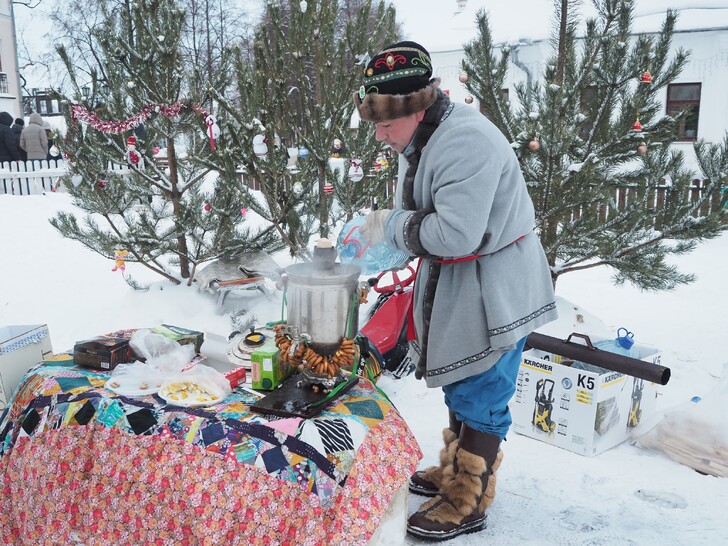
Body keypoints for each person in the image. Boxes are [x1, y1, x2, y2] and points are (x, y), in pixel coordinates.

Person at [354, 41, 558, 541]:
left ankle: (467, 498)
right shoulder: (420, 138)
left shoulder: (465, 142)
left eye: (385, 123)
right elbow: (423, 216)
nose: (379, 134)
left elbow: (453, 235)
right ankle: (454, 469)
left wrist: (392, 227)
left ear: (415, 107)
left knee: (483, 389)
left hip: (494, 289)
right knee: (461, 381)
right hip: (460, 282)